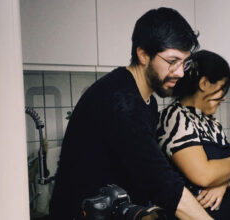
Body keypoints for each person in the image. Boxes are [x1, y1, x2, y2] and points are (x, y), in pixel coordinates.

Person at [49, 7, 214, 220]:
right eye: (172, 61)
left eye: (185, 62)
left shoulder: (146, 102)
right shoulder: (120, 100)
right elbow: (162, 184)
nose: (180, 72)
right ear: (143, 54)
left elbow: (147, 170)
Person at [157, 50, 230, 220]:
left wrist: (224, 184)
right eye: (222, 89)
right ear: (204, 84)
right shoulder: (175, 118)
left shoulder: (211, 122)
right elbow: (203, 175)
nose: (224, 98)